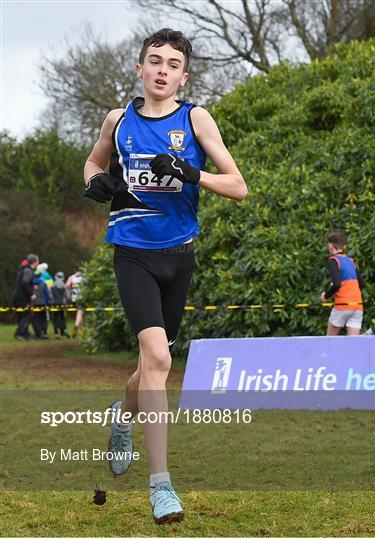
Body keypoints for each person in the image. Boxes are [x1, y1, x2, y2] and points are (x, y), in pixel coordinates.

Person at [83, 28, 247, 524]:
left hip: (180, 256)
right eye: (154, 60)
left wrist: (192, 174)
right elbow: (93, 161)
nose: (162, 70)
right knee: (157, 356)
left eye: (172, 64)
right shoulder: (119, 119)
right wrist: (97, 182)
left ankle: (121, 416)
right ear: (139, 68)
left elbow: (238, 186)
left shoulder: (195, 118)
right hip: (132, 254)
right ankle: (161, 488)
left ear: (183, 75)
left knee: (150, 367)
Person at [320, 231, 365, 336]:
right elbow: (362, 284)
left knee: (329, 340)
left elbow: (337, 284)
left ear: (332, 246)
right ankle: (370, 333)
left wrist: (326, 296)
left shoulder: (333, 261)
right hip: (357, 305)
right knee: (353, 343)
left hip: (342, 305)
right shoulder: (350, 261)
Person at [12, 254, 38, 340]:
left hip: (17, 296)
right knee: (26, 315)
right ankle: (19, 333)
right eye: (37, 262)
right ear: (34, 262)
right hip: (22, 297)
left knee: (21, 315)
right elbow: (25, 283)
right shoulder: (28, 271)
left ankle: (25, 333)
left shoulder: (23, 269)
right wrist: (31, 294)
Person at [32, 266, 51, 339]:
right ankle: (44, 333)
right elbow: (46, 294)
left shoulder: (31, 284)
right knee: (44, 318)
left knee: (35, 319)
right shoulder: (43, 283)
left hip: (34, 304)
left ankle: (38, 334)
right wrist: (47, 302)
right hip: (43, 303)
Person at [51, 271, 71, 338]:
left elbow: (50, 295)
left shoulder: (52, 285)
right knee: (63, 317)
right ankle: (64, 330)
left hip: (54, 304)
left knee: (55, 318)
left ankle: (56, 333)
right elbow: (68, 296)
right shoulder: (64, 286)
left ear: (55, 276)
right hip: (63, 304)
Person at [66, 266, 85, 337]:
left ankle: (82, 332)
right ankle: (76, 326)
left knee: (80, 313)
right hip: (82, 297)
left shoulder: (72, 277)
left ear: (74, 270)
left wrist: (71, 291)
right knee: (80, 312)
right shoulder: (84, 277)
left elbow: (67, 285)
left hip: (74, 298)